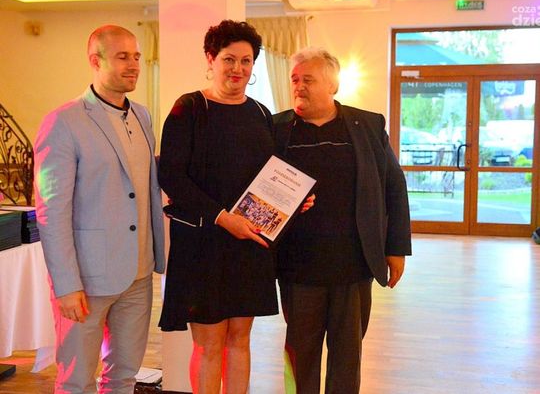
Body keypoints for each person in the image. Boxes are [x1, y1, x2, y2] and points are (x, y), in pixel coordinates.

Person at [34, 25, 165, 393]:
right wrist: (66, 285)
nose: (134, 65)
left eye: (136, 56)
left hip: (138, 274)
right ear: (95, 61)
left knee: (124, 377)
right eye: (123, 57)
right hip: (87, 280)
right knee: (76, 381)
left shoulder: (142, 116)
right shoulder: (63, 121)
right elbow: (52, 212)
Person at [273, 47, 412, 393]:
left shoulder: (368, 125)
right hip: (298, 268)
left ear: (332, 85)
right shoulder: (276, 128)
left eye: (308, 79)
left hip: (354, 265)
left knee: (347, 357)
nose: (299, 86)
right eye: (294, 79)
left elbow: (394, 185)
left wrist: (396, 248)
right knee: (299, 356)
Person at [158, 20, 277, 394]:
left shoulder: (261, 114)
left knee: (240, 339)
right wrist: (224, 219)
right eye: (229, 59)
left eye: (246, 60)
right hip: (203, 244)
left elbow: (273, 177)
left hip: (248, 245)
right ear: (211, 59)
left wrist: (294, 201)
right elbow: (172, 177)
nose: (238, 68)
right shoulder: (189, 108)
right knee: (209, 344)